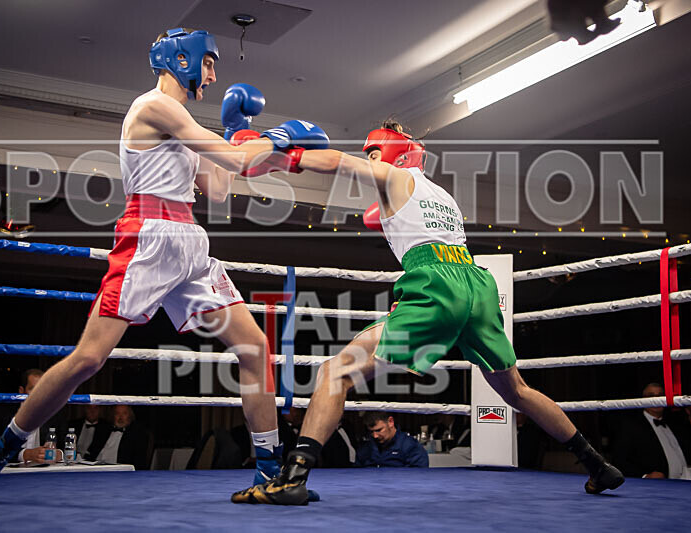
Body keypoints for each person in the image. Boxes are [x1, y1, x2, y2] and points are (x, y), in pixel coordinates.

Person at [0, 27, 329, 492]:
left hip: (189, 241)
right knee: (88, 358)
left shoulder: (187, 124)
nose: (213, 76)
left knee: (255, 348)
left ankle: (269, 469)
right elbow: (236, 160)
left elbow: (219, 187)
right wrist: (274, 139)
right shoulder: (153, 107)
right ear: (182, 59)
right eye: (209, 63)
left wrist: (247, 140)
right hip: (148, 237)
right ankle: (3, 447)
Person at [231, 121, 624, 505]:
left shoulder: (394, 176)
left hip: (436, 283)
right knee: (516, 390)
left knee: (335, 373)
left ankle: (293, 479)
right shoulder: (441, 194)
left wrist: (279, 151)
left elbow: (338, 163)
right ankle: (598, 465)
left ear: (393, 154)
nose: (371, 160)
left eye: (375, 153)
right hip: (476, 284)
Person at [612, 383, 690, 479]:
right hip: (657, 485)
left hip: (688, 481)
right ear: (643, 399)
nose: (656, 399)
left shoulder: (676, 423)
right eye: (651, 396)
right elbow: (619, 461)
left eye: (660, 396)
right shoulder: (630, 427)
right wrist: (645, 476)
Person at [354, 412, 427, 468]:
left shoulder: (410, 446)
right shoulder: (366, 447)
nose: (375, 436)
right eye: (371, 432)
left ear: (390, 422)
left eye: (379, 430)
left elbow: (419, 476)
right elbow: (356, 474)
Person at [93, 405, 151, 470]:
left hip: (118, 471)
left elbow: (139, 462)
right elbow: (92, 451)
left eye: (124, 413)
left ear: (130, 416)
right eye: (117, 413)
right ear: (113, 415)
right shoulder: (104, 430)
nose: (120, 418)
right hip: (96, 467)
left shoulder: (137, 434)